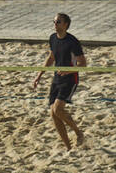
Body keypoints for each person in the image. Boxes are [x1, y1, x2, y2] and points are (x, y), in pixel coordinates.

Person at [32, 13, 86, 151]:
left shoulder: (72, 41)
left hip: (70, 78)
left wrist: (68, 71)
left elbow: (83, 64)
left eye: (58, 22)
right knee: (53, 114)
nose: (55, 24)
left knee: (58, 109)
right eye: (54, 21)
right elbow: (51, 58)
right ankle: (69, 147)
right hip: (57, 78)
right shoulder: (52, 38)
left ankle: (78, 133)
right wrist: (39, 75)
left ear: (65, 24)